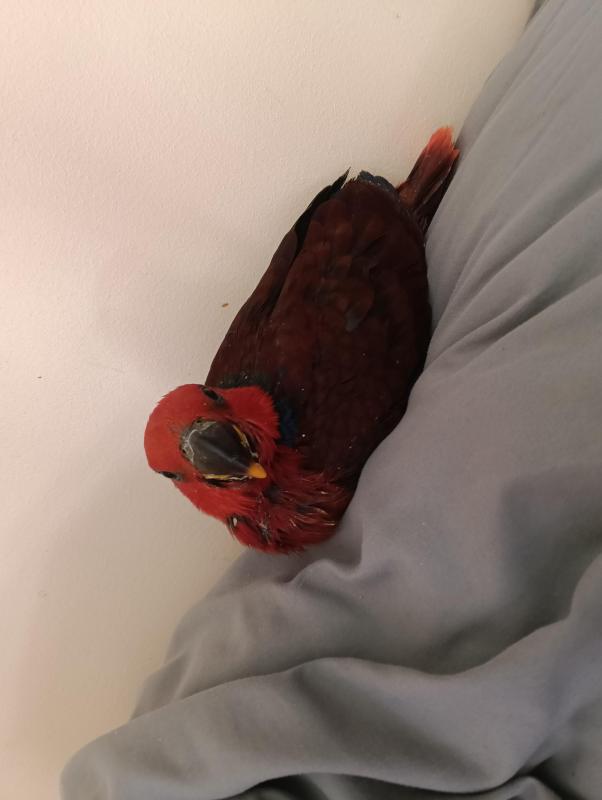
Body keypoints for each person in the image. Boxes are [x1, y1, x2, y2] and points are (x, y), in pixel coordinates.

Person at [62, 2, 602, 797]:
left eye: (210, 418)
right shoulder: (254, 514)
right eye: (190, 468)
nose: (214, 452)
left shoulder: (313, 424)